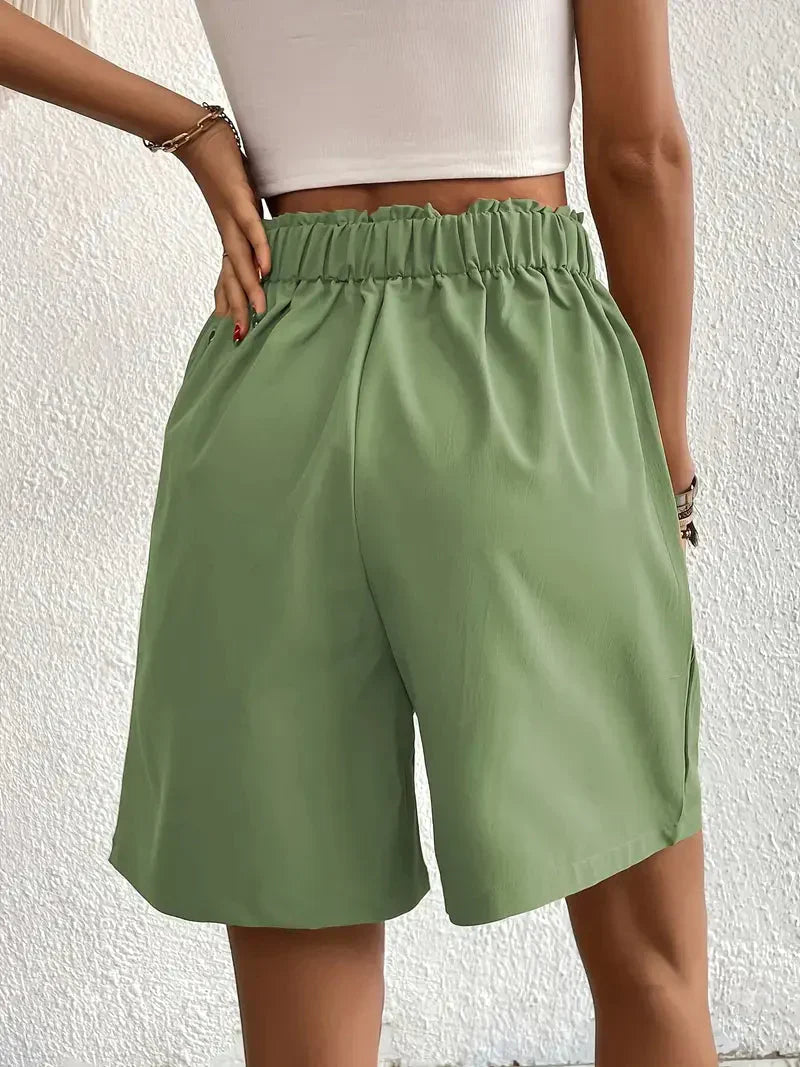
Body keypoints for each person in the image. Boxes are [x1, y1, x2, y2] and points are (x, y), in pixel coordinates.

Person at [1, 1, 713, 1064]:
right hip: (522, 368)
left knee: (301, 982)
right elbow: (636, 154)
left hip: (269, 364)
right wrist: (663, 457)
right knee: (650, 966)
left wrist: (186, 129)